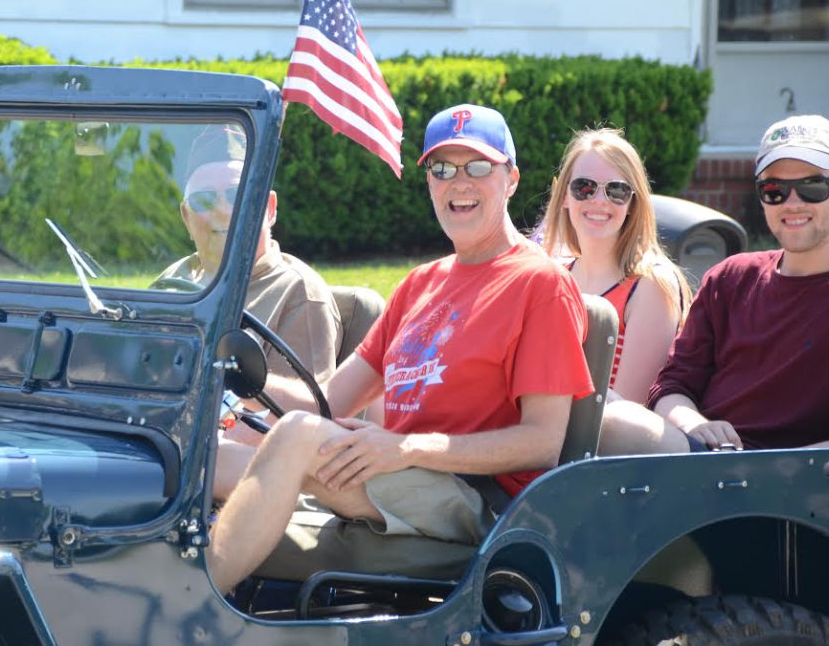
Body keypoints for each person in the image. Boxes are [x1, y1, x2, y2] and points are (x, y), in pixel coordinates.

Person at [206, 104, 595, 594]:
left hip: (478, 498)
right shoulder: (420, 285)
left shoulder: (540, 284)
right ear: (429, 181)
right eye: (442, 168)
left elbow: (542, 442)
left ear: (511, 179)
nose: (459, 182)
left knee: (298, 436)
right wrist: (231, 374)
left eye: (478, 166)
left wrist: (405, 447)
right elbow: (330, 401)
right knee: (206, 456)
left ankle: (184, 608)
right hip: (397, 471)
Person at [599, 115, 829, 456]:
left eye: (812, 186)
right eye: (774, 190)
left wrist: (771, 470)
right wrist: (695, 425)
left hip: (796, 479)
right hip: (699, 457)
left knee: (610, 422)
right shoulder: (729, 278)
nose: (792, 202)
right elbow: (671, 387)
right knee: (595, 409)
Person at [154, 125, 342, 384]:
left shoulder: (297, 292)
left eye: (237, 194)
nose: (223, 210)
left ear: (269, 208)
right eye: (203, 200)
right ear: (186, 218)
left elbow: (302, 406)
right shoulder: (172, 280)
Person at [542, 128, 692, 404]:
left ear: (633, 202)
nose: (599, 200)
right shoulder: (552, 276)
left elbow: (628, 410)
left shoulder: (651, 286)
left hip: (603, 431)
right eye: (584, 187)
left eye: (617, 190)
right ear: (563, 195)